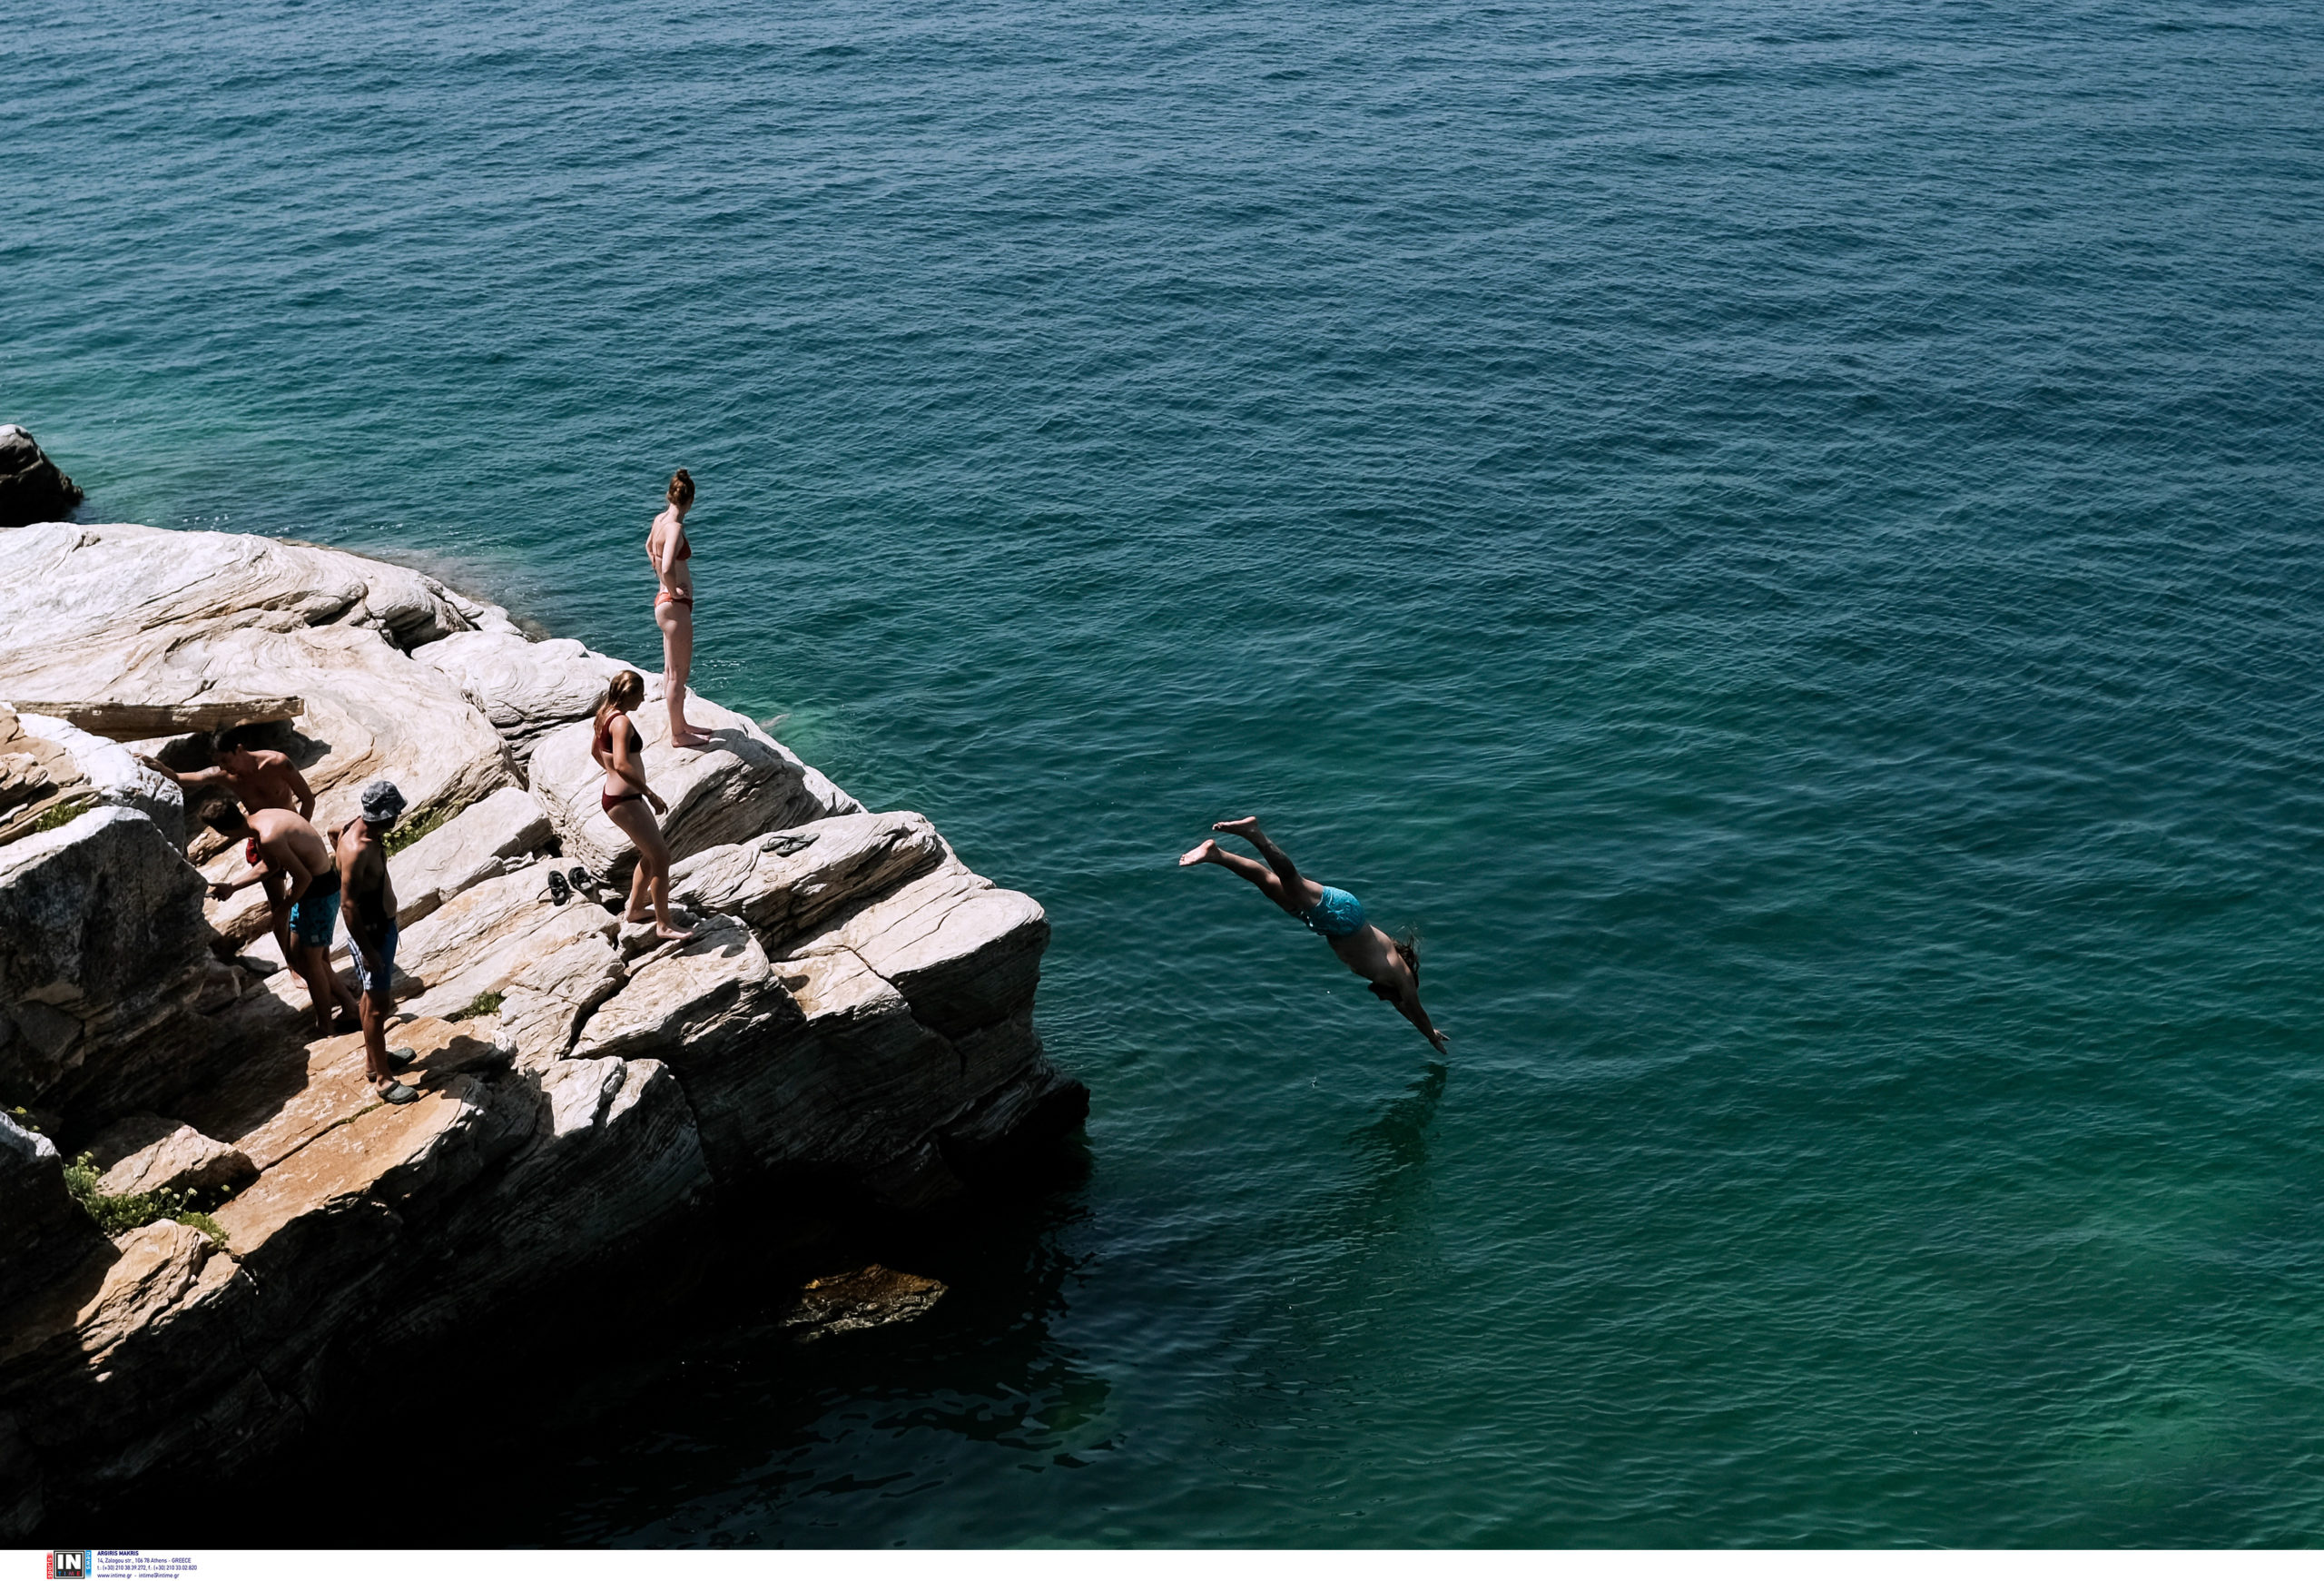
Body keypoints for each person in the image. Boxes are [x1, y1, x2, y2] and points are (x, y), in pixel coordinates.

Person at [1180, 815, 1448, 1052]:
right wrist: (1430, 1036)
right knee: (1292, 882)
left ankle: (1217, 855)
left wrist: (1428, 1032)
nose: (1380, 997)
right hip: (1343, 920)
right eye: (1385, 997)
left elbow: (1405, 1011)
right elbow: (1416, 1011)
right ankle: (1255, 834)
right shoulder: (1403, 980)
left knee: (1268, 884)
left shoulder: (1394, 983)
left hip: (1330, 923)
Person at [141, 726, 316, 960]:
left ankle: (315, 956)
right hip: (263, 841)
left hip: (292, 835)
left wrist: (300, 830)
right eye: (219, 763)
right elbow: (182, 778)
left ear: (239, 749)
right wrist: (158, 766)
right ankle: (294, 966)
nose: (224, 767)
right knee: (278, 906)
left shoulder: (276, 762)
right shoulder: (227, 776)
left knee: (310, 893)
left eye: (225, 760)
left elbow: (307, 799)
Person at [204, 802, 361, 1038]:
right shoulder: (263, 817)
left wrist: (280, 911)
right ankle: (350, 1007)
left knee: (311, 963)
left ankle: (326, 1025)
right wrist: (232, 886)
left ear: (223, 832)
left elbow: (303, 877)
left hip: (318, 893)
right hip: (312, 890)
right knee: (302, 958)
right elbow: (270, 865)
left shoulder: (268, 837)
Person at [592, 668, 694, 942]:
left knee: (650, 855)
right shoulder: (621, 722)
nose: (643, 698)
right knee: (661, 858)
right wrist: (649, 793)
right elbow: (624, 763)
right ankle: (664, 924)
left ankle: (636, 909)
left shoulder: (604, 714)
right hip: (625, 800)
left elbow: (595, 752)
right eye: (641, 693)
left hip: (618, 796)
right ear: (631, 693)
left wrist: (612, 774)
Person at [337, 780, 419, 1104]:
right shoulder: (359, 849)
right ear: (383, 815)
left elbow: (333, 834)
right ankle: (384, 1081)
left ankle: (375, 1061)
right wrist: (369, 952)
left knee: (371, 1002)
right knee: (376, 1007)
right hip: (371, 933)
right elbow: (348, 905)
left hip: (380, 928)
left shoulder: (349, 829)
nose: (397, 818)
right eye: (394, 813)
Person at [649, 467, 714, 749]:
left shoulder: (659, 520)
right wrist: (673, 588)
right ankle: (678, 735)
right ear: (691, 500)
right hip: (674, 606)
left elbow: (649, 547)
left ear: (669, 496)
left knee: (669, 670)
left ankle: (681, 724)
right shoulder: (675, 527)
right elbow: (666, 563)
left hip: (664, 602)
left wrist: (662, 584)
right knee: (678, 674)